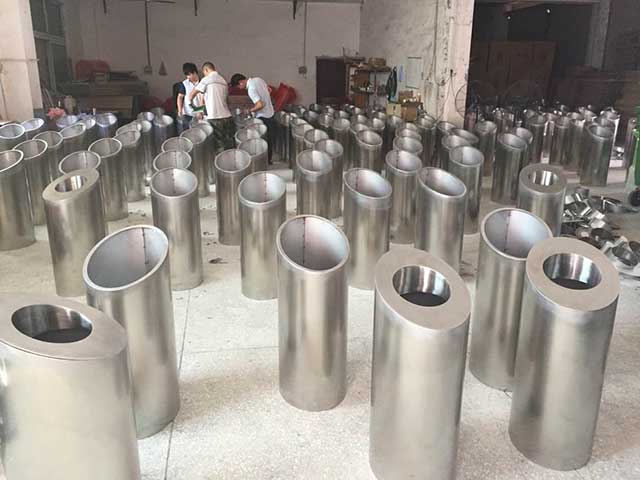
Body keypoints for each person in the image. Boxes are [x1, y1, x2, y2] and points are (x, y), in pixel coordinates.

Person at [188, 62, 235, 155]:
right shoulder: (223, 80)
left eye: (204, 73)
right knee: (228, 144)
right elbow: (227, 101)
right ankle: (230, 161)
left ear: (206, 70)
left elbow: (191, 96)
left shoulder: (206, 80)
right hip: (227, 117)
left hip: (215, 118)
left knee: (218, 146)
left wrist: (197, 110)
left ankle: (220, 162)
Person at [230, 73, 275, 162]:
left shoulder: (251, 89)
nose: (240, 88)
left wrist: (249, 110)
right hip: (271, 113)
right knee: (269, 140)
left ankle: (262, 162)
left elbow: (260, 105)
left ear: (241, 82)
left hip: (263, 117)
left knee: (261, 142)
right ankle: (268, 160)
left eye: (238, 86)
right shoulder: (258, 79)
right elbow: (269, 90)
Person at [176, 63, 201, 129]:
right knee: (187, 131)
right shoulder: (184, 84)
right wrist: (179, 110)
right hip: (187, 113)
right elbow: (180, 97)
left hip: (200, 113)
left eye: (189, 75)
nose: (188, 77)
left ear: (195, 72)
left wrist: (200, 111)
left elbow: (205, 100)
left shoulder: (202, 83)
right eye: (186, 75)